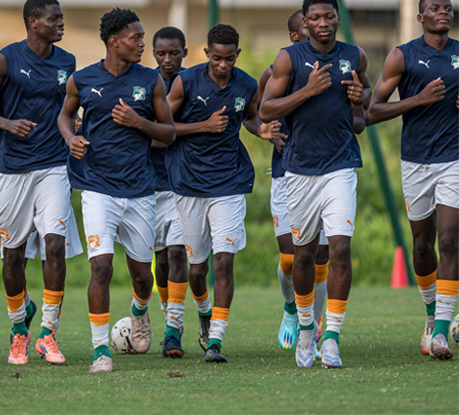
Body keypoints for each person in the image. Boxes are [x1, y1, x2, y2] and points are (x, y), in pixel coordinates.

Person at [58, 7, 175, 373]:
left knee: (143, 276)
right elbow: (64, 115)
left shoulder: (151, 80)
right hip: (97, 188)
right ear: (114, 42)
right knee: (101, 267)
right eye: (135, 38)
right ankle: (100, 352)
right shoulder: (82, 79)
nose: (142, 44)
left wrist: (139, 122)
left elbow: (169, 133)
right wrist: (71, 139)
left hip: (140, 190)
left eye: (142, 38)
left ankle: (139, 312)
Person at [260, 0, 372, 368]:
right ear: (305, 22)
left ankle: (332, 337)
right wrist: (307, 91)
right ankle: (306, 327)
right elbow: (266, 109)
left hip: (341, 166)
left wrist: (360, 97)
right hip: (299, 170)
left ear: (338, 18)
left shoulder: (355, 55)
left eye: (328, 16)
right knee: (304, 255)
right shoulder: (288, 59)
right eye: (314, 18)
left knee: (340, 249)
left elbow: (364, 105)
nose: (322, 23)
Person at [0, 0, 81, 366]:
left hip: (54, 165)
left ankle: (48, 333)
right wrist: (7, 123)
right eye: (54, 18)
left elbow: (67, 110)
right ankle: (20, 328)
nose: (61, 23)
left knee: (54, 245)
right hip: (12, 167)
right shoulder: (5, 59)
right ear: (33, 22)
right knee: (13, 253)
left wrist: (75, 127)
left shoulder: (67, 62)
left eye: (61, 17)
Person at [166, 24, 280, 363]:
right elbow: (163, 127)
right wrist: (203, 126)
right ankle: (204, 312)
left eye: (229, 59)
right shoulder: (185, 82)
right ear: (206, 54)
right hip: (189, 184)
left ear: (237, 55)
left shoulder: (246, 84)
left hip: (229, 183)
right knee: (197, 270)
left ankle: (215, 339)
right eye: (216, 58)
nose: (223, 65)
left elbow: (249, 118)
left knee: (224, 262)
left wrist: (261, 130)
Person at [367, 0, 458, 360]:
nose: (444, 11)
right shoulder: (401, 57)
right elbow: (372, 111)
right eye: (435, 7)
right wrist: (418, 100)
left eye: (447, 7)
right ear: (420, 17)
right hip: (416, 161)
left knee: (449, 241)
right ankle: (431, 314)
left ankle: (441, 332)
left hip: (453, 158)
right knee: (423, 246)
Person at [151, 26, 209, 358]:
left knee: (178, 255)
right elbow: (151, 134)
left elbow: (165, 133)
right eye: (161, 53)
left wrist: (168, 133)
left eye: (174, 53)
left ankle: (173, 330)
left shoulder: (193, 84)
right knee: (158, 261)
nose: (168, 59)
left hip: (183, 183)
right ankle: (176, 315)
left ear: (185, 53)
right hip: (149, 184)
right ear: (154, 54)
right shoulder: (145, 85)